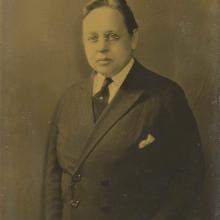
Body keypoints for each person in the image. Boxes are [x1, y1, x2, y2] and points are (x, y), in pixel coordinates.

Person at [43, 0, 205, 220]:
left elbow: (189, 175)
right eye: (93, 38)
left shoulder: (164, 96)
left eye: (112, 36)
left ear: (134, 38)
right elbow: (52, 178)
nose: (101, 47)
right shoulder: (68, 99)